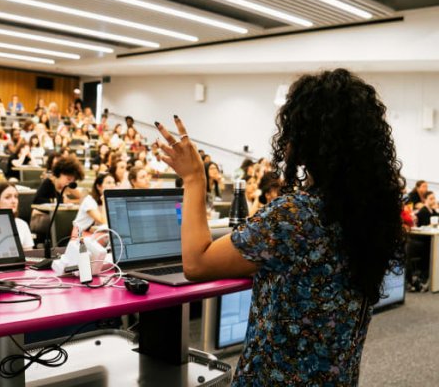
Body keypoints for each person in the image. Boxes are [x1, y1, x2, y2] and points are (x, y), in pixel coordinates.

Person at [154, 69, 404, 385]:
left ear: (308, 137)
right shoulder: (372, 216)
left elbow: (196, 262)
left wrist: (193, 178)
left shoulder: (294, 215)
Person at [0, 181, 34, 250]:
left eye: (16, 197)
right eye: (8, 197)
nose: (14, 201)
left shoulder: (22, 224)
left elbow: (29, 254)